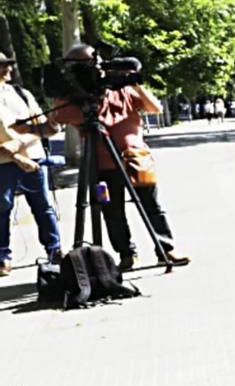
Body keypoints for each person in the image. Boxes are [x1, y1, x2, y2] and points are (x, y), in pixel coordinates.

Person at [51, 45, 190, 270]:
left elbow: (154, 108)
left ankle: (166, 248)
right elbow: (58, 118)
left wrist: (134, 83)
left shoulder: (122, 89)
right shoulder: (74, 98)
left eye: (95, 63)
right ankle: (126, 254)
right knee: (112, 212)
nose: (95, 70)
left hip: (136, 159)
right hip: (101, 164)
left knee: (152, 206)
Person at [0, 52, 63, 276]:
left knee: (43, 206)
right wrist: (15, 155)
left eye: (8, 65)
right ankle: (2, 257)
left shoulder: (21, 94)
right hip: (3, 163)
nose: (8, 69)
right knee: (2, 208)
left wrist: (20, 144)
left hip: (34, 158)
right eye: (2, 66)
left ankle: (55, 251)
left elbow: (43, 128)